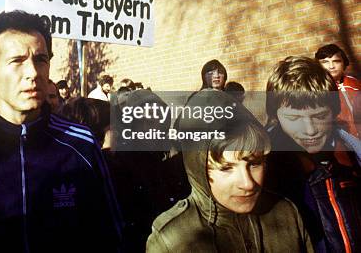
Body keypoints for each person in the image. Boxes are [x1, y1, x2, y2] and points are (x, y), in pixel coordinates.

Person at [0, 10, 122, 252]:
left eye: (41, 59)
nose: (33, 73)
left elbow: (111, 235)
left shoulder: (81, 144)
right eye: (17, 61)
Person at [147, 90, 313, 252]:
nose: (247, 183)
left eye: (254, 163)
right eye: (226, 168)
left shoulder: (286, 213)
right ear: (197, 167)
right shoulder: (171, 240)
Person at [266, 56, 361, 253]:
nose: (310, 130)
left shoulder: (353, 159)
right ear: (275, 117)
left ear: (333, 112)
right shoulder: (264, 174)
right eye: (293, 118)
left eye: (319, 116)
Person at [315, 43, 360, 137]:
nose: (331, 66)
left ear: (344, 63)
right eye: (325, 62)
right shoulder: (316, 88)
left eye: (336, 61)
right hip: (340, 142)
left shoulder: (355, 83)